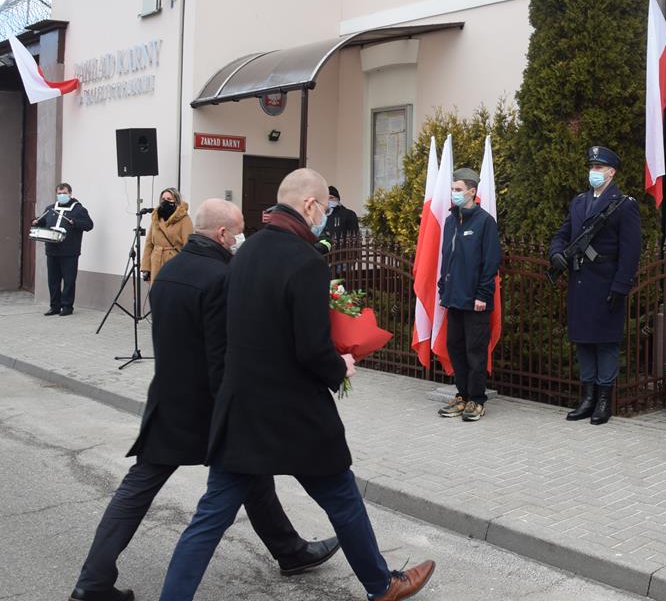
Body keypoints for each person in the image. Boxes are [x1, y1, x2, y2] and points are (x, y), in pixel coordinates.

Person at [158, 169, 435, 601]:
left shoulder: (242, 255)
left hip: (242, 410)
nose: (325, 216)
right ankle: (382, 586)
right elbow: (310, 347)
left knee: (210, 516)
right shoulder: (305, 261)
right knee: (342, 496)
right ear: (309, 206)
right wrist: (339, 365)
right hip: (295, 414)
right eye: (324, 208)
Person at [69, 200, 337, 601]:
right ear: (225, 235)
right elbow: (221, 357)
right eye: (241, 230)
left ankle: (93, 581)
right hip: (210, 406)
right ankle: (290, 552)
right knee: (238, 485)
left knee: (142, 489)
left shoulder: (170, 271)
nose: (244, 238)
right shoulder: (222, 278)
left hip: (167, 401)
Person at [549, 146, 642, 426]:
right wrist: (556, 253)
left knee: (605, 343)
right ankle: (587, 398)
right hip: (580, 282)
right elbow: (563, 233)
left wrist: (620, 286)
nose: (593, 172)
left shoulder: (624, 204)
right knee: (583, 342)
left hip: (605, 283)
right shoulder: (579, 202)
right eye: (591, 167)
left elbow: (630, 251)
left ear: (611, 172)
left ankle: (603, 400)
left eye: (599, 168)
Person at [436, 168, 501, 422]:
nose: (454, 194)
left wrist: (483, 295)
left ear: (472, 191)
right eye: (453, 189)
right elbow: (446, 258)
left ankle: (477, 399)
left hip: (476, 301)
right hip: (454, 297)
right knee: (456, 348)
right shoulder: (451, 220)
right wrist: (444, 289)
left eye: (458, 190)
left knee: (475, 351)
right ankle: (462, 396)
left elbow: (490, 261)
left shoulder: (485, 222)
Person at [34, 182, 93, 316]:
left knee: (69, 280)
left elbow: (89, 225)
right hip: (52, 250)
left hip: (70, 251)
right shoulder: (50, 209)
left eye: (64, 193)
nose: (61, 196)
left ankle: (67, 307)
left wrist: (75, 222)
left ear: (70, 194)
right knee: (53, 280)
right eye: (59, 193)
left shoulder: (78, 210)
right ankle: (54, 306)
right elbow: (43, 222)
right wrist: (37, 221)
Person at [141, 187, 194, 283]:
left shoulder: (184, 219)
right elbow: (149, 244)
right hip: (156, 262)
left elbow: (188, 245)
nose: (165, 202)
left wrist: (186, 268)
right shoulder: (156, 218)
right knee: (156, 293)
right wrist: (146, 268)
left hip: (174, 262)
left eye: (169, 199)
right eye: (163, 199)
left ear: (176, 201)